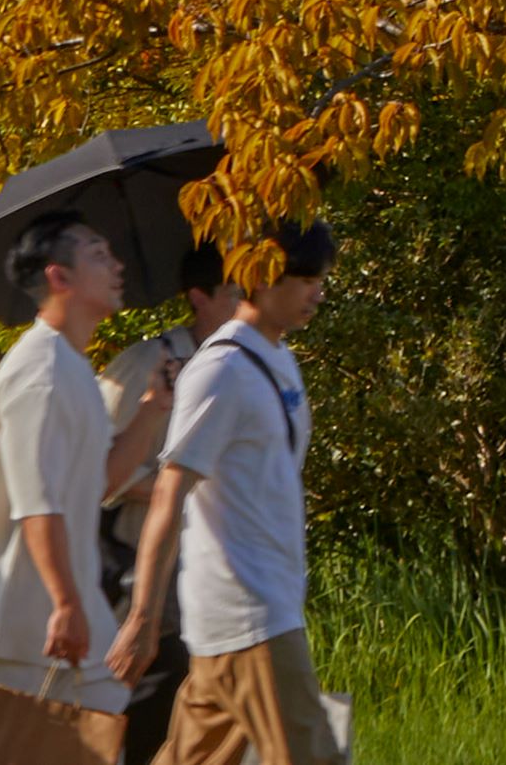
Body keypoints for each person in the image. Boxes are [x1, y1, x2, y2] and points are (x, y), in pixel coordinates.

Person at [107, 221, 337, 765]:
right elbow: (169, 493)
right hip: (250, 614)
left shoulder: (277, 358)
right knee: (314, 756)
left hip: (251, 611)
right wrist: (141, 621)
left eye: (321, 278)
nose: (317, 291)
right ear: (257, 277)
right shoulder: (221, 368)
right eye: (304, 277)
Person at [0, 216, 128, 765]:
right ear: (59, 277)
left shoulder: (73, 369)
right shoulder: (39, 371)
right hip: (12, 622)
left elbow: (96, 486)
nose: (117, 266)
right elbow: (35, 503)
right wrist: (66, 601)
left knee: (103, 738)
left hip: (66, 620)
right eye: (99, 253)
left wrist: (149, 414)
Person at [92, 245, 240, 765]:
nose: (248, 303)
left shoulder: (245, 367)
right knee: (147, 714)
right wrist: (177, 490)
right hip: (140, 575)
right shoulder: (148, 362)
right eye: (234, 292)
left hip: (215, 580)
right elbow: (94, 472)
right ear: (199, 298)